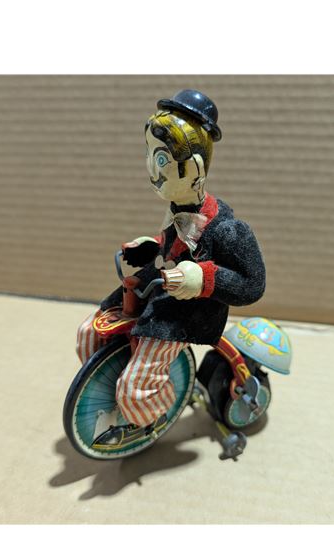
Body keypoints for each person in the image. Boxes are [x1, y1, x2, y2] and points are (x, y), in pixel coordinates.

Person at [75, 89, 266, 449]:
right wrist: (150, 247)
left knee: (135, 391)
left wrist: (203, 277)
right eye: (149, 154)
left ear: (193, 168)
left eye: (161, 158)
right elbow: (171, 247)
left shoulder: (229, 231)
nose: (151, 168)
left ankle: (151, 409)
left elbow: (252, 285)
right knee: (89, 333)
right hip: (159, 291)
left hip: (188, 315)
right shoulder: (178, 211)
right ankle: (116, 386)